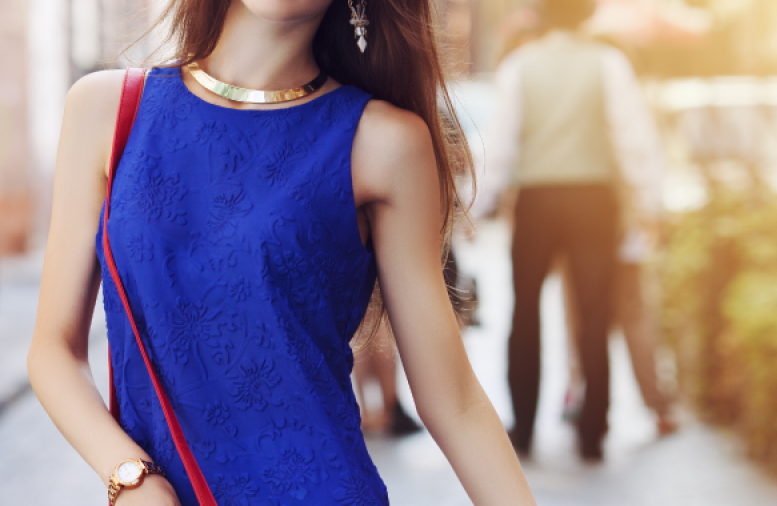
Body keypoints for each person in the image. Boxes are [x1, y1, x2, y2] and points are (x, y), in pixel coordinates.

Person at [26, 0, 538, 505]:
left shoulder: (383, 144)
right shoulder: (107, 110)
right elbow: (53, 350)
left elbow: (455, 402)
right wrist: (131, 477)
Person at [477, 0, 666, 462]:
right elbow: (632, 140)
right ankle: (593, 431)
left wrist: (476, 207)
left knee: (524, 311)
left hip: (537, 200)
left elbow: (500, 146)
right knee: (594, 313)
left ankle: (524, 427)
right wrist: (650, 203)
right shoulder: (609, 63)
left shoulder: (519, 65)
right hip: (593, 200)